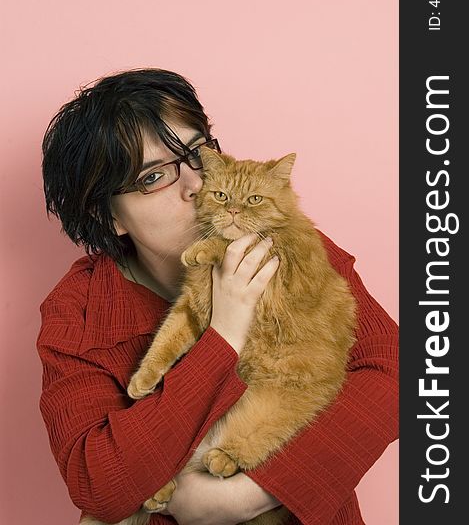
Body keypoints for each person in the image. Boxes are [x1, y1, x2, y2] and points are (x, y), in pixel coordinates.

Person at [37, 68, 398, 525]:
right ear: (108, 217)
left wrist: (249, 494)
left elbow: (394, 368)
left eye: (197, 154)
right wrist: (224, 333)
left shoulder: (284, 242)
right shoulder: (79, 310)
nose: (197, 185)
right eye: (153, 177)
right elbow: (99, 482)